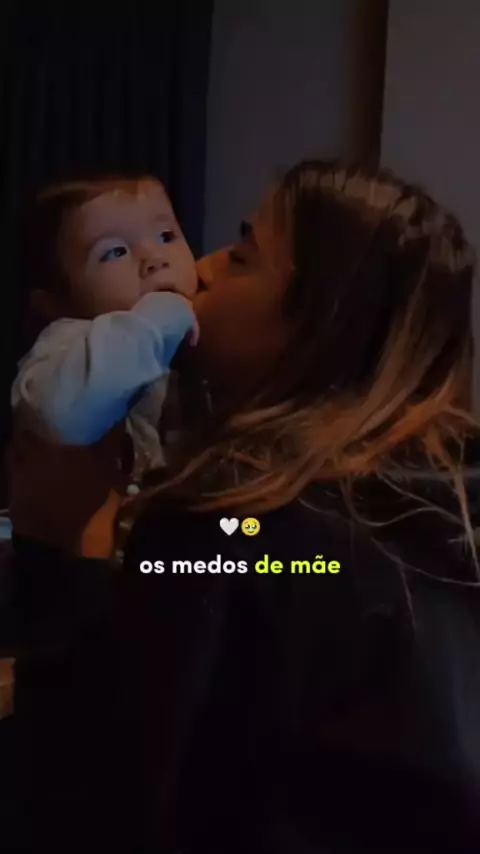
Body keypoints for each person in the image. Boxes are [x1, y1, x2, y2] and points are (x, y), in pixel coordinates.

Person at [6, 159, 480, 852]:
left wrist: (69, 544)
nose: (199, 269)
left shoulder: (238, 524)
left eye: (243, 255)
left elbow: (92, 805)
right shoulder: (445, 490)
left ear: (318, 320)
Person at [8, 175, 198, 556]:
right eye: (114, 252)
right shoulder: (64, 347)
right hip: (62, 568)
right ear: (56, 303)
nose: (155, 260)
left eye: (166, 236)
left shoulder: (181, 334)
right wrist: (163, 314)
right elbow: (70, 416)